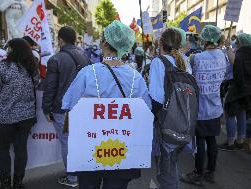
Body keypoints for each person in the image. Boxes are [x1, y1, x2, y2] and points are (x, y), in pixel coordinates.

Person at [62, 20, 151, 189]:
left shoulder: (88, 73)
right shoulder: (136, 77)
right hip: (122, 150)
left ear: (104, 44)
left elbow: (70, 106)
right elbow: (145, 112)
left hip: (90, 148)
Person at [42, 26, 90, 187]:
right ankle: (81, 173)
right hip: (82, 107)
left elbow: (50, 87)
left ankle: (72, 178)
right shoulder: (84, 55)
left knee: (67, 142)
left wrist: (46, 109)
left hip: (64, 109)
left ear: (60, 40)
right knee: (79, 141)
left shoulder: (56, 59)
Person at [0, 38, 39, 189]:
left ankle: (5, 185)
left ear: (12, 50)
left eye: (8, 48)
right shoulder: (32, 67)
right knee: (21, 149)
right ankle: (18, 183)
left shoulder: (2, 67)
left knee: (3, 150)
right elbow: (36, 84)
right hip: (26, 116)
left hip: (5, 116)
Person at [149, 28, 196, 189]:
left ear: (160, 43)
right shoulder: (184, 60)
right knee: (172, 165)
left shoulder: (159, 61)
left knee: (166, 172)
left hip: (166, 125)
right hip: (184, 123)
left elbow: (156, 99)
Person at [180, 25, 227, 186]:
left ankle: (198, 173)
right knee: (212, 140)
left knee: (200, 141)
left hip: (200, 108)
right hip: (215, 107)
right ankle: (211, 172)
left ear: (205, 39)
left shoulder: (197, 58)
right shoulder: (223, 56)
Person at [223, 33, 251, 152]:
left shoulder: (242, 53)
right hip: (247, 89)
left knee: (230, 112)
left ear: (240, 42)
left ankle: (230, 142)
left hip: (237, 88)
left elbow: (235, 62)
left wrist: (228, 48)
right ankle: (240, 140)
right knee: (242, 112)